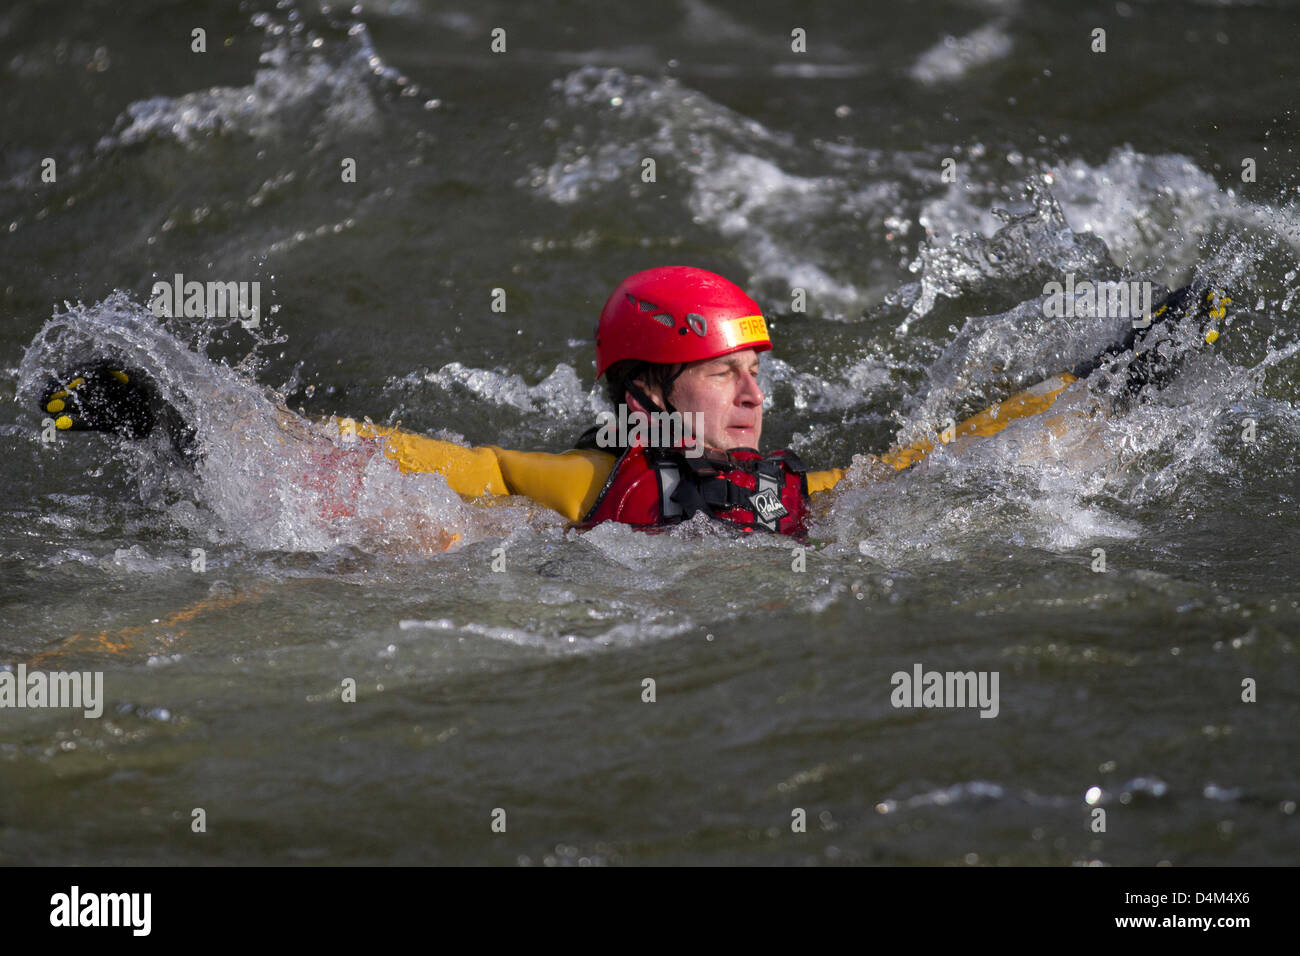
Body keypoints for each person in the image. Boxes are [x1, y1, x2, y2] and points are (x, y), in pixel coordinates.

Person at [38, 266, 1230, 539]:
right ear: (649, 390)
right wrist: (179, 414)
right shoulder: (594, 480)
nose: (754, 391)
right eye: (726, 371)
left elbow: (938, 461)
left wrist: (1111, 378)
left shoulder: (784, 488)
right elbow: (406, 456)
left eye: (757, 368)